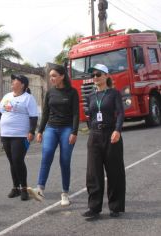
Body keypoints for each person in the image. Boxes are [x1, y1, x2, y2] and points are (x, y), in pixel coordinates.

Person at [29, 65, 79, 206]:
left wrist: (74, 132)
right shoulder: (50, 93)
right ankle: (40, 189)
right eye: (50, 76)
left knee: (64, 160)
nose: (51, 78)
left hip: (67, 129)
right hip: (51, 128)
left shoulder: (72, 92)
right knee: (47, 155)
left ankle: (65, 193)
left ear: (62, 76)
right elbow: (45, 113)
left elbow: (76, 113)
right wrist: (40, 131)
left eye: (54, 76)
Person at [82, 64, 125, 219]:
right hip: (94, 135)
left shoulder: (114, 93)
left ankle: (115, 206)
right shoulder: (91, 96)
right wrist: (92, 131)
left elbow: (120, 113)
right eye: (93, 75)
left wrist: (117, 130)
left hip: (111, 134)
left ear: (106, 75)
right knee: (93, 173)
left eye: (98, 74)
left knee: (114, 171)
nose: (95, 77)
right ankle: (94, 208)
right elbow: (90, 116)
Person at [0, 74, 38, 201]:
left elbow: (33, 116)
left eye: (15, 80)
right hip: (6, 134)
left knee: (18, 160)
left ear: (22, 85)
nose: (13, 81)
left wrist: (31, 131)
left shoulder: (28, 98)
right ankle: (16, 188)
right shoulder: (7, 96)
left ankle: (24, 188)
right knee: (12, 161)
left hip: (20, 135)